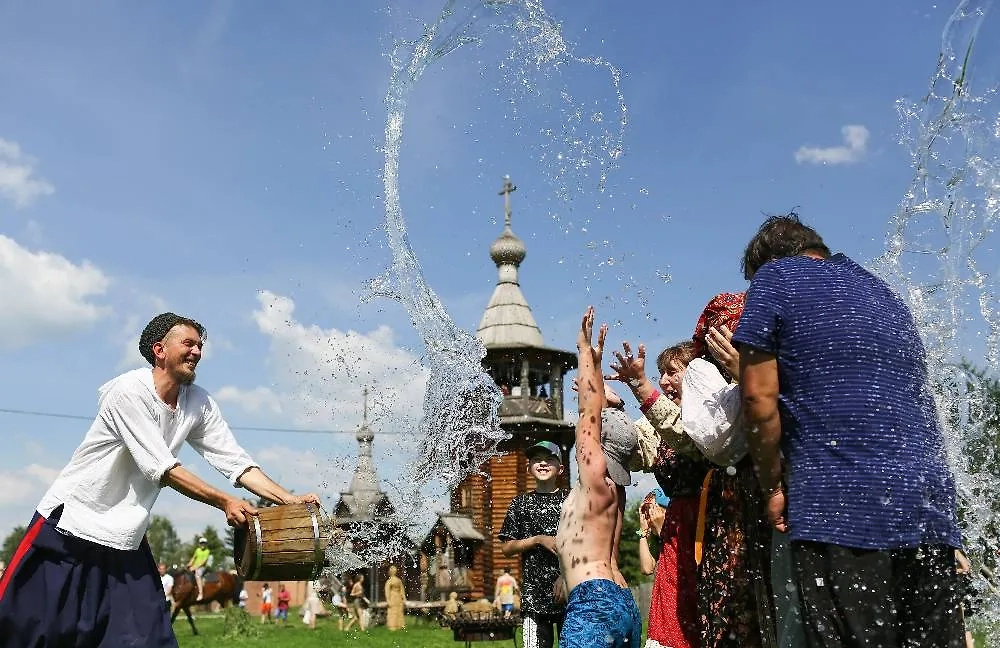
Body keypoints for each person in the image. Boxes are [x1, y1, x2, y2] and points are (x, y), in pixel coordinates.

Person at [0, 312, 319, 647]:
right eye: (188, 343)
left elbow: (236, 462)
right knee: (24, 635)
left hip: (126, 542)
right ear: (159, 350)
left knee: (151, 641)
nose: (197, 351)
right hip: (68, 530)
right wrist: (224, 500)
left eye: (200, 346)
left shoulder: (198, 403)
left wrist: (289, 500)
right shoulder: (127, 392)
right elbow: (163, 467)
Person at [735, 214, 964, 646]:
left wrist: (772, 486)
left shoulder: (775, 279)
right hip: (928, 505)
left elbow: (757, 400)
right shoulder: (885, 293)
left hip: (841, 505)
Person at [556, 306, 642, 648]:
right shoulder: (613, 495)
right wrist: (596, 361)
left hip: (592, 603)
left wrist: (583, 350)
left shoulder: (592, 481)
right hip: (621, 600)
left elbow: (588, 410)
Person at [498, 438, 568, 648]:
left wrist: (565, 576)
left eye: (549, 459)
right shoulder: (520, 504)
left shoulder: (571, 500)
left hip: (569, 595)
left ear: (561, 468)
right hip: (534, 601)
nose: (543, 463)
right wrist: (537, 540)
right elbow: (507, 548)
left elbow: (583, 545)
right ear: (529, 468)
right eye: (537, 460)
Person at [187, 537, 211, 601]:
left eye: (204, 543)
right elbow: (193, 558)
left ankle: (200, 593)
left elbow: (203, 562)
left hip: (202, 567)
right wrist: (189, 564)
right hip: (194, 567)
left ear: (206, 544)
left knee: (197, 575)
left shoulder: (207, 551)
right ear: (199, 544)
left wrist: (195, 567)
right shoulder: (197, 550)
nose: (202, 544)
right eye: (201, 543)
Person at [385, 564, 406, 630]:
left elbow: (402, 590)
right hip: (392, 597)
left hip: (398, 597)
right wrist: (388, 600)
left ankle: (400, 625)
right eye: (392, 569)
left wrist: (404, 598)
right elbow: (387, 591)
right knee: (393, 611)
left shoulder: (398, 580)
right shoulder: (389, 581)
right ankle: (392, 625)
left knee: (399, 611)